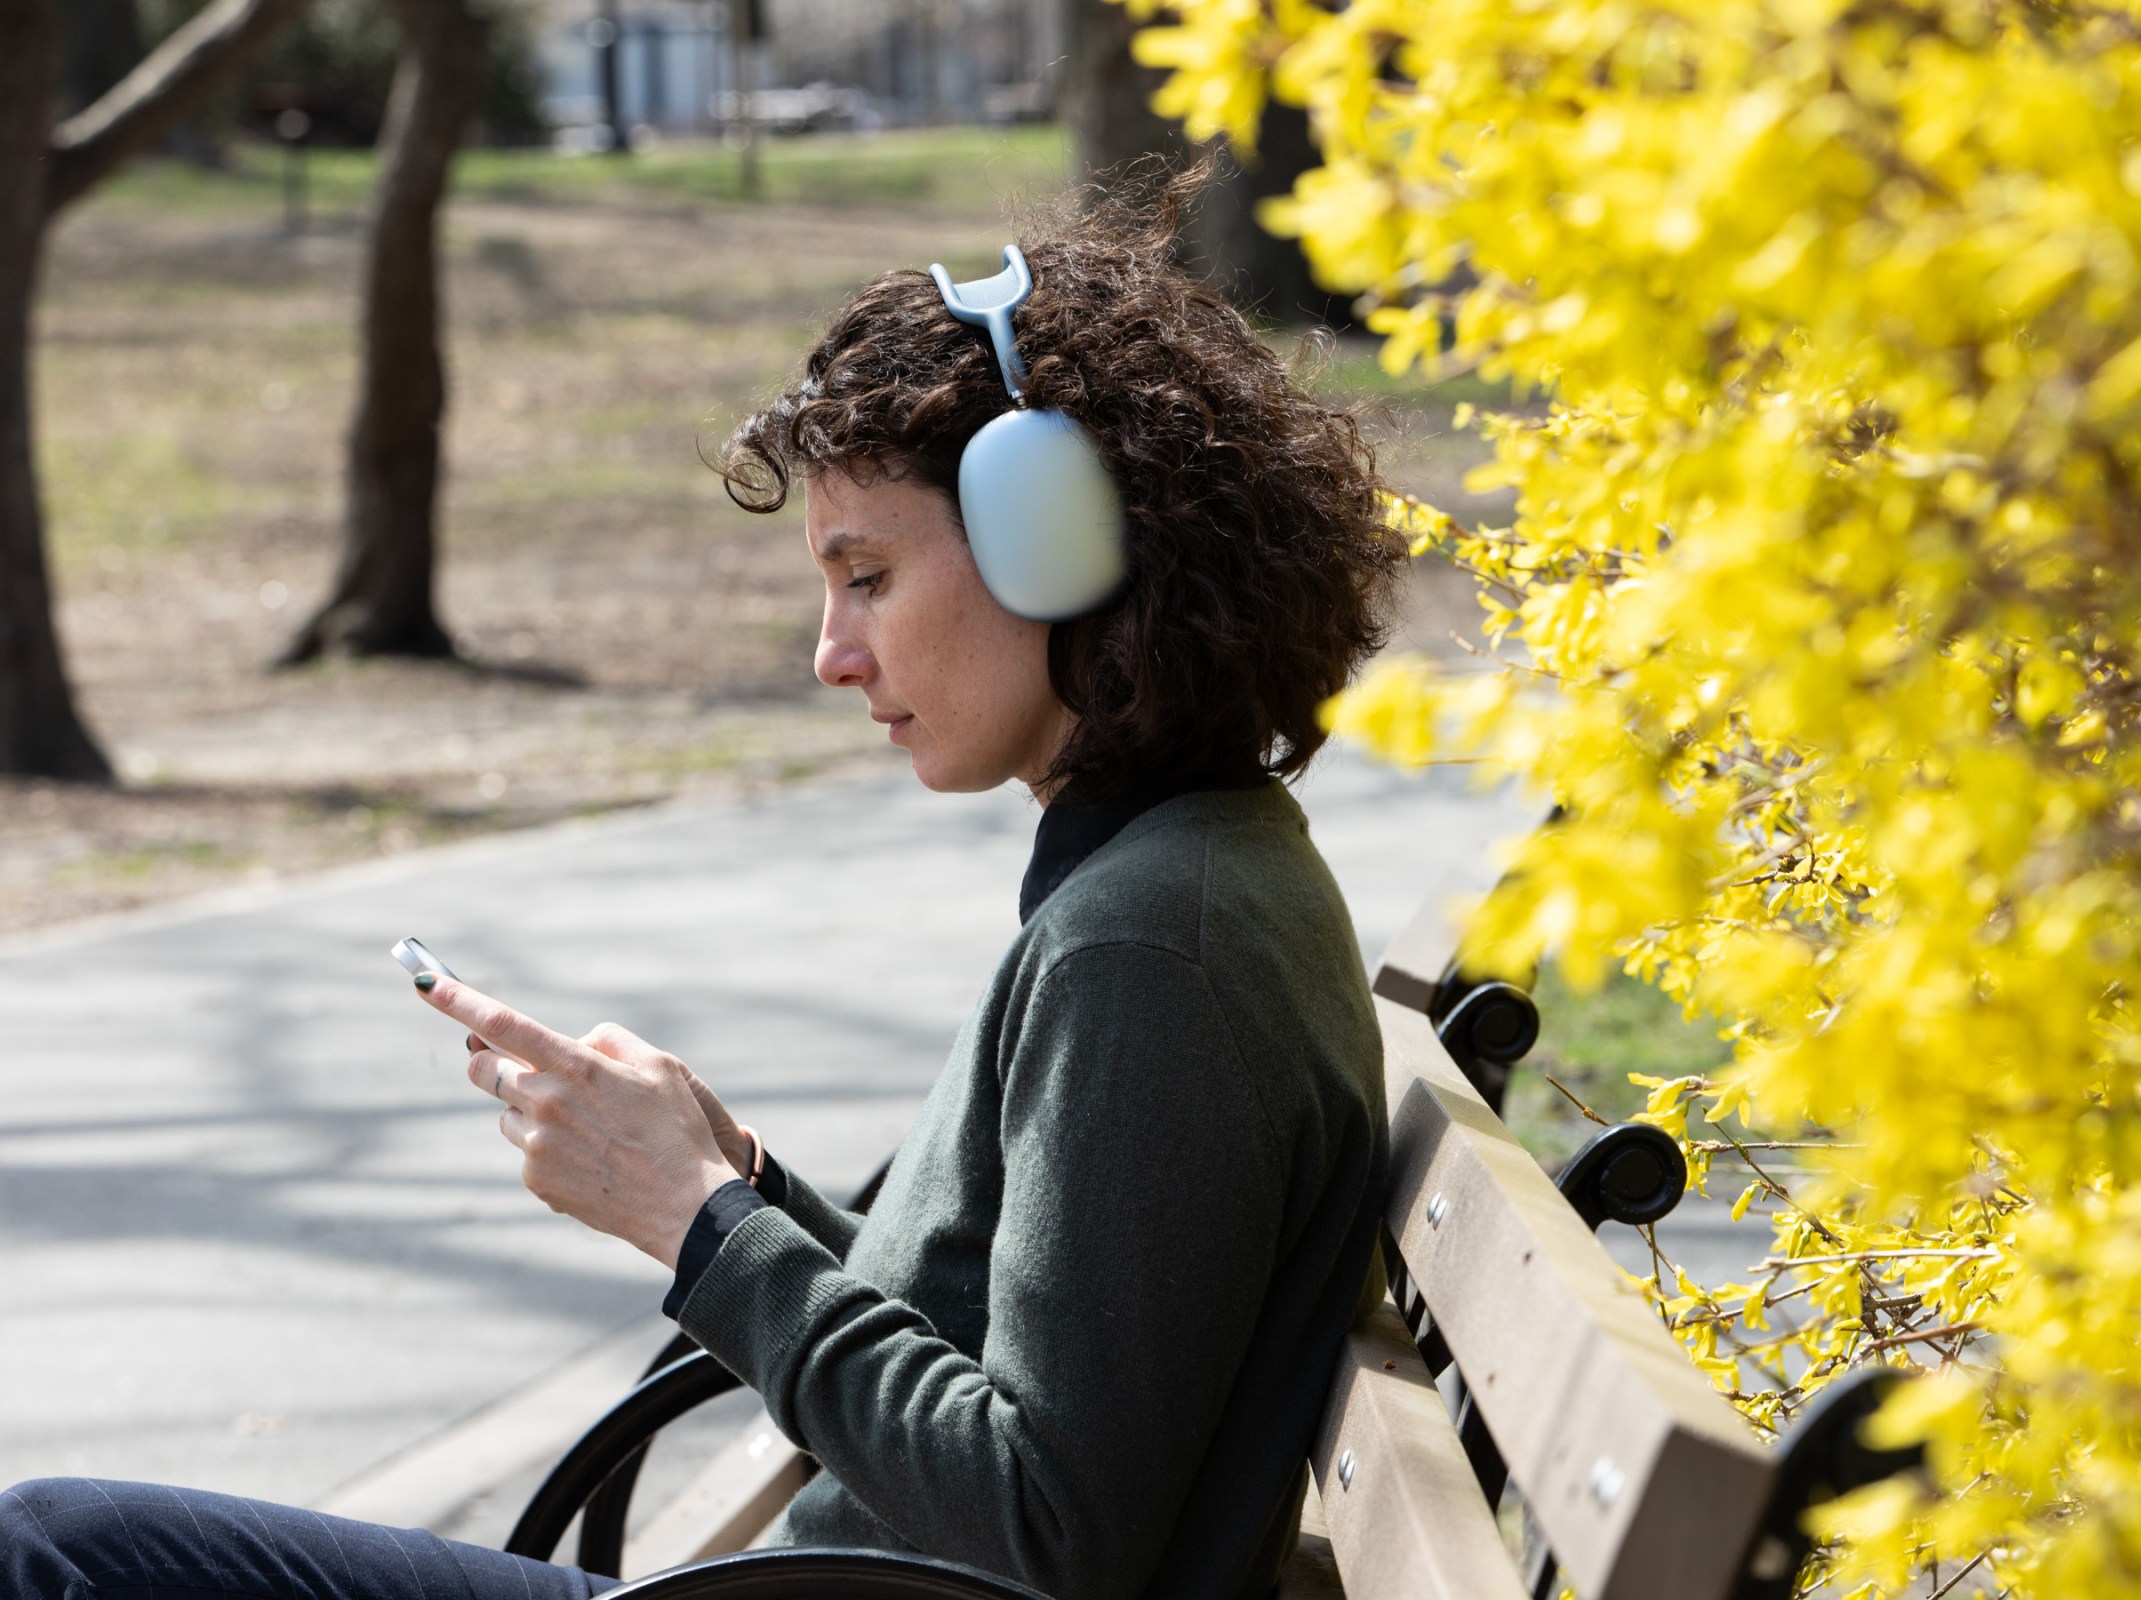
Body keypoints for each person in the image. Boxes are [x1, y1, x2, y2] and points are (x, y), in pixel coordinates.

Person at [0, 174, 1406, 1600]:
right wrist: (741, 1186)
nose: (830, 655)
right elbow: (1006, 1340)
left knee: (59, 1555)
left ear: (1061, 548)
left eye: (865, 577)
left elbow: (1052, 1522)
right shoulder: (1190, 877)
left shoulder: (1150, 945)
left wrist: (698, 1225)